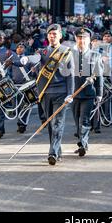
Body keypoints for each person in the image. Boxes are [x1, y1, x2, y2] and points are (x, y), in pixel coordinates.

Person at [36, 24, 75, 165]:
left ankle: (52, 152)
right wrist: (23, 60)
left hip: (61, 92)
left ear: (60, 36)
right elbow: (34, 61)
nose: (52, 36)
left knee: (58, 122)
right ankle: (57, 149)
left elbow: (71, 75)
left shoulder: (66, 52)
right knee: (50, 124)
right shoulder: (42, 52)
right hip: (46, 92)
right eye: (50, 34)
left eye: (55, 34)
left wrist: (70, 94)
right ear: (47, 36)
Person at [71, 28, 103, 157]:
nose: (81, 40)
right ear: (76, 39)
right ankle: (81, 141)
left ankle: (82, 144)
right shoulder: (70, 54)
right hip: (73, 93)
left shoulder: (95, 55)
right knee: (76, 119)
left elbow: (99, 75)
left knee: (84, 119)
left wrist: (99, 93)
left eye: (84, 38)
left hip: (88, 93)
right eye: (79, 38)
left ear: (89, 40)